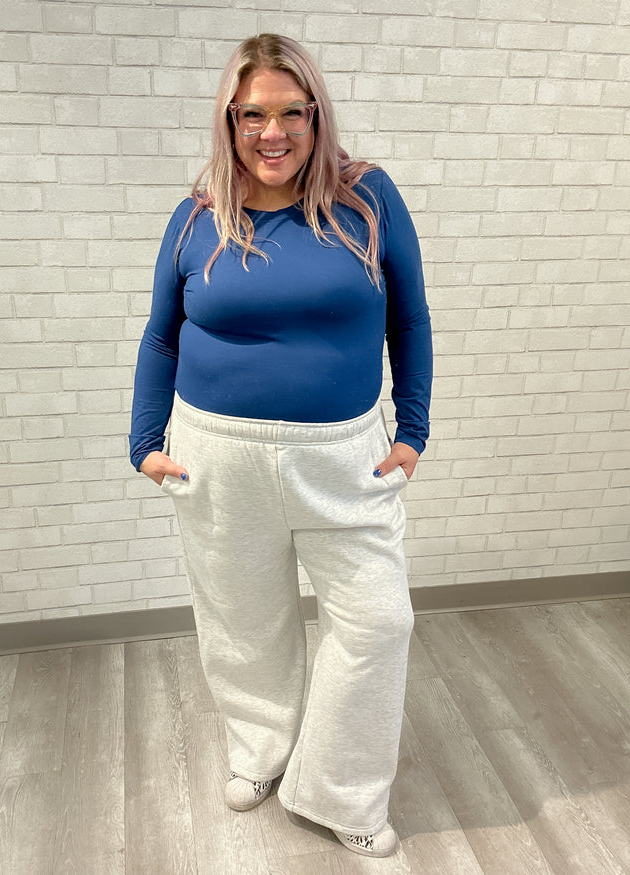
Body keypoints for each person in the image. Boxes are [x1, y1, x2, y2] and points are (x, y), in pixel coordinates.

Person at [129, 33, 432, 859]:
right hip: (216, 451)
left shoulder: (367, 199)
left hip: (343, 456)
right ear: (230, 123)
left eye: (289, 112)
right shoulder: (197, 218)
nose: (272, 133)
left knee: (377, 621)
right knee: (243, 620)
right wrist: (143, 443)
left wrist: (414, 429)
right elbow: (162, 337)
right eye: (252, 114)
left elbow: (408, 316)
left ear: (315, 114)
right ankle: (261, 747)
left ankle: (341, 787)